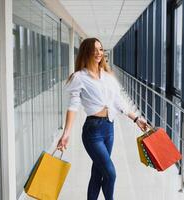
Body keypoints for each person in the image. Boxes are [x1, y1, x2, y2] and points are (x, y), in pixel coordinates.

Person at [57, 38, 148, 200]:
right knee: (111, 173)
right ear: (86, 52)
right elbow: (73, 106)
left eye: (101, 49)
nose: (99, 53)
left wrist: (136, 119)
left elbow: (118, 101)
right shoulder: (79, 77)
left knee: (98, 173)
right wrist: (66, 133)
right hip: (93, 131)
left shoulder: (108, 76)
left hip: (109, 128)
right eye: (95, 50)